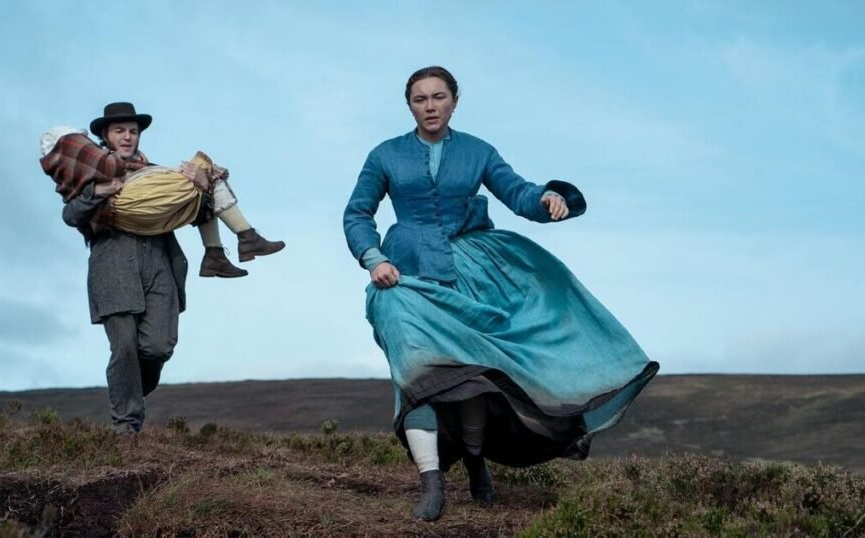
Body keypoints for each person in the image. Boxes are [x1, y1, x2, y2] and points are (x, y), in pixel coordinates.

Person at [343, 67, 659, 521]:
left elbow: (517, 192)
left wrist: (547, 199)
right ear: (409, 105)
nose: (430, 106)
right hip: (404, 277)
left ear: (454, 101)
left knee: (472, 379)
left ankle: (475, 461)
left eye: (438, 97)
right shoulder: (384, 155)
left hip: (474, 274)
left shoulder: (479, 151)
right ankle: (431, 482)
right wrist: (375, 259)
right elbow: (357, 213)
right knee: (416, 371)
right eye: (419, 99)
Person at [43, 104, 285, 279]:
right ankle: (237, 242)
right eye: (119, 131)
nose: (127, 137)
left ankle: (218, 253)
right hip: (118, 273)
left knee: (202, 180)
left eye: (133, 132)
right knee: (207, 170)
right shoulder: (95, 172)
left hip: (160, 271)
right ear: (105, 136)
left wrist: (202, 184)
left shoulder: (149, 172)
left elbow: (189, 205)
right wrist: (98, 190)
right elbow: (71, 214)